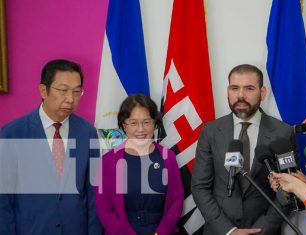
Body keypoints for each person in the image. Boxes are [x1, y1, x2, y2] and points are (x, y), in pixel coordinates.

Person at [191, 64, 298, 235]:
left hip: (265, 230)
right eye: (235, 88)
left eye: (249, 88)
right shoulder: (210, 131)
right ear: (228, 91)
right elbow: (199, 187)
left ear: (262, 92)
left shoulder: (282, 133)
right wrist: (228, 230)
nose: (240, 96)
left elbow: (291, 189)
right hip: (220, 230)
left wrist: (261, 231)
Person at [0, 59, 103, 235]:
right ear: (43, 90)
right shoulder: (13, 133)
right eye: (63, 90)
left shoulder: (87, 132)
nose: (70, 99)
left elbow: (93, 192)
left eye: (77, 91)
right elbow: (3, 198)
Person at [94, 94, 184, 235]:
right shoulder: (108, 161)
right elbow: (103, 209)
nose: (140, 129)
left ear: (155, 124)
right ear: (124, 125)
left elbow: (176, 201)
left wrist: (161, 232)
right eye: (133, 122)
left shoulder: (168, 158)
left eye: (146, 122)